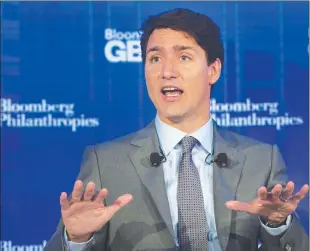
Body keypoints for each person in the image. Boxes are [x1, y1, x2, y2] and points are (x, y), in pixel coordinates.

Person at [44, 8, 309, 251]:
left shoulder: (261, 160)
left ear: (213, 70)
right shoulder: (105, 162)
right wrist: (76, 239)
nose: (167, 71)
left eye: (184, 57)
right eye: (155, 58)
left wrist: (277, 225)